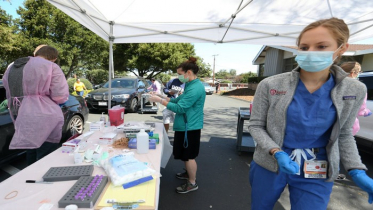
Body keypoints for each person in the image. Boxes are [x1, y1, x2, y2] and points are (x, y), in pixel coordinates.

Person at [248, 17, 373, 210]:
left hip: (318, 166)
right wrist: (276, 152)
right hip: (271, 163)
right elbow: (256, 125)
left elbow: (344, 133)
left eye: (321, 46)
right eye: (304, 47)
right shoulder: (271, 85)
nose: (311, 52)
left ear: (341, 48)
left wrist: (356, 170)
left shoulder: (354, 90)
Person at [2, 46, 69, 166]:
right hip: (42, 113)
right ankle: (42, 180)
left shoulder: (12, 67)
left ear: (36, 54)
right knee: (45, 153)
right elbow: (60, 95)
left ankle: (30, 179)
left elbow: (6, 87)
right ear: (53, 58)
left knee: (31, 149)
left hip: (18, 112)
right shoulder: (50, 66)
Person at [149, 57, 206, 193]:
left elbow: (180, 108)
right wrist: (160, 96)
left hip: (190, 127)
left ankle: (192, 182)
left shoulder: (195, 88)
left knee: (189, 155)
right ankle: (188, 174)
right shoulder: (191, 85)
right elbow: (176, 100)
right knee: (184, 154)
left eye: (180, 74)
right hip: (186, 125)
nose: (178, 77)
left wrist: (159, 101)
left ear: (189, 73)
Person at [340, 61, 372, 135]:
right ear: (353, 73)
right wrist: (366, 111)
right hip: (348, 123)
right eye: (359, 72)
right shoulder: (359, 87)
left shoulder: (333, 84)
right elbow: (360, 107)